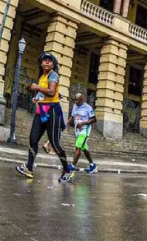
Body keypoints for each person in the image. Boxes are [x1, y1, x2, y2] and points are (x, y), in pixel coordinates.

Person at [16, 53, 71, 181]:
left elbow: (51, 92)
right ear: (41, 63)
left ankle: (67, 169)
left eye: (49, 61)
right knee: (33, 139)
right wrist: (37, 98)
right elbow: (43, 94)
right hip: (41, 110)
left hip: (53, 111)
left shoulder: (53, 75)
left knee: (55, 143)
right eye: (44, 60)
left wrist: (36, 87)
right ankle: (29, 168)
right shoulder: (42, 77)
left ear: (53, 64)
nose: (46, 62)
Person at [67, 93, 97, 175]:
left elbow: (94, 119)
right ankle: (92, 165)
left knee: (78, 147)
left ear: (82, 100)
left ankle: (72, 166)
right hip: (78, 131)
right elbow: (72, 116)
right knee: (84, 148)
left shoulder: (88, 107)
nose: (76, 102)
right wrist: (67, 124)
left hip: (85, 130)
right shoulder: (74, 106)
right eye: (75, 100)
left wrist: (84, 123)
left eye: (77, 100)